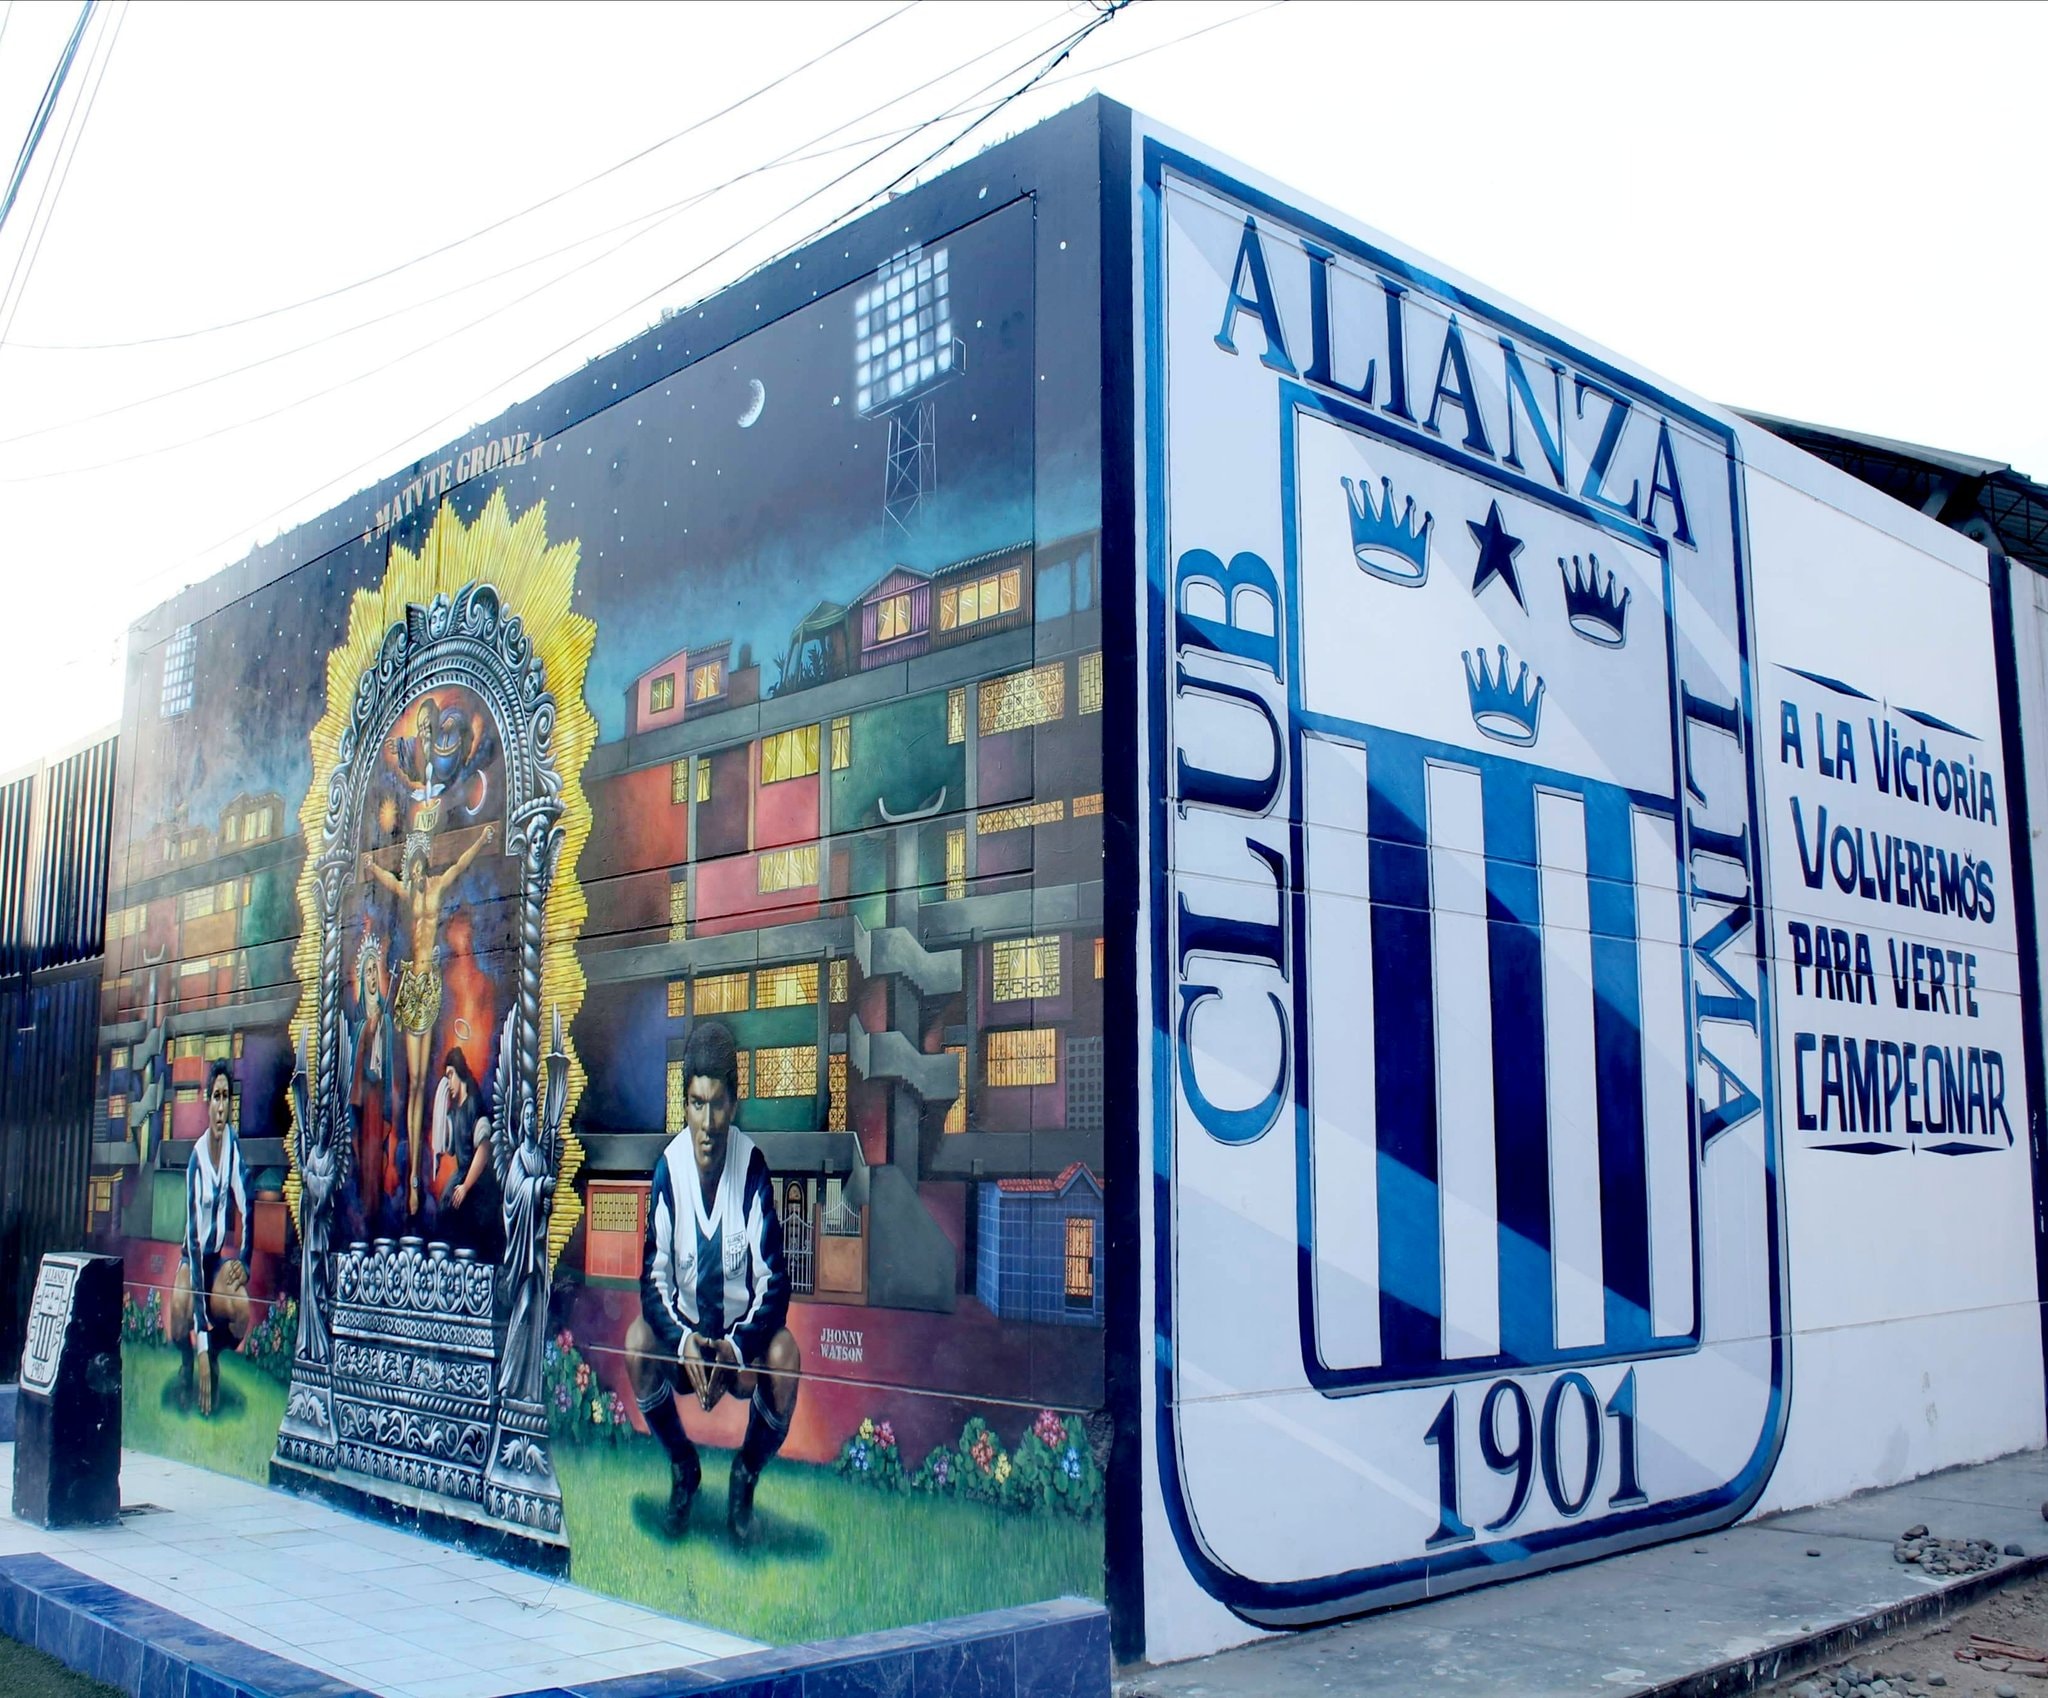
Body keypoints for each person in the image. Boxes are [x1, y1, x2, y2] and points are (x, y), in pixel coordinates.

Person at [625, 1020, 801, 1544]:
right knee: (637, 1343)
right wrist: (684, 1344)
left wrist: (734, 1348)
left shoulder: (751, 1168)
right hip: (686, 1350)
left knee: (787, 1355)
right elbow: (651, 1278)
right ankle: (685, 1468)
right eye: (696, 1104)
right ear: (684, 1104)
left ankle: (744, 1474)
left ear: (734, 1103)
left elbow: (775, 1282)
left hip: (736, 1353)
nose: (707, 1122)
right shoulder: (670, 1168)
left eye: (717, 1104)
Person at [360, 821, 497, 1215]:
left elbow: (460, 866)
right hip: (410, 985)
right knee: (414, 1083)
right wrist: (370, 867)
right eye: (413, 868)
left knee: (424, 1078)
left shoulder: (435, 887)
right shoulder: (407, 889)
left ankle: (419, 1176)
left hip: (428, 986)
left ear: (424, 863)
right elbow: (388, 880)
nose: (417, 873)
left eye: (420, 866)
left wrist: (481, 840)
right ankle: (414, 1181)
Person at [168, 1063, 251, 1416]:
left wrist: (244, 1260)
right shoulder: (197, 1160)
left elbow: (247, 1207)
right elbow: (195, 1242)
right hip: (194, 1261)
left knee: (241, 1308)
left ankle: (215, 1354)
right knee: (178, 1307)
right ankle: (189, 1362)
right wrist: (198, 1341)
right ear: (207, 1102)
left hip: (215, 1261)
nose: (221, 1106)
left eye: (226, 1097)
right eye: (215, 1097)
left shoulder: (233, 1148)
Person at [433, 1048, 499, 1259]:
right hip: (462, 1175)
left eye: (450, 1074)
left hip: (477, 1180)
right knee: (444, 1210)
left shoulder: (473, 1105)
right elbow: (448, 1146)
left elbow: (484, 1148)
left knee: (464, 1219)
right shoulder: (455, 1111)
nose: (448, 1082)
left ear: (458, 1072)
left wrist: (466, 1186)